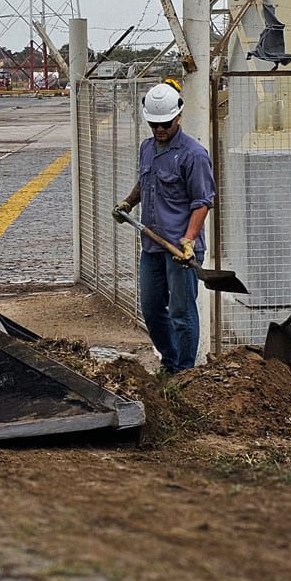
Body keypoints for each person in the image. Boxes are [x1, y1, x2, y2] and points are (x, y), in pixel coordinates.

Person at [112, 82, 216, 375]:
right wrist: (128, 203)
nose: (159, 130)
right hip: (152, 245)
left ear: (178, 117)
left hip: (180, 251)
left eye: (165, 124)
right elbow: (146, 183)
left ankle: (184, 372)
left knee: (182, 313)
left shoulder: (193, 155)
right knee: (152, 309)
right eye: (154, 124)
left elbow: (202, 202)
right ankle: (169, 362)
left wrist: (189, 240)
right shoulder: (147, 148)